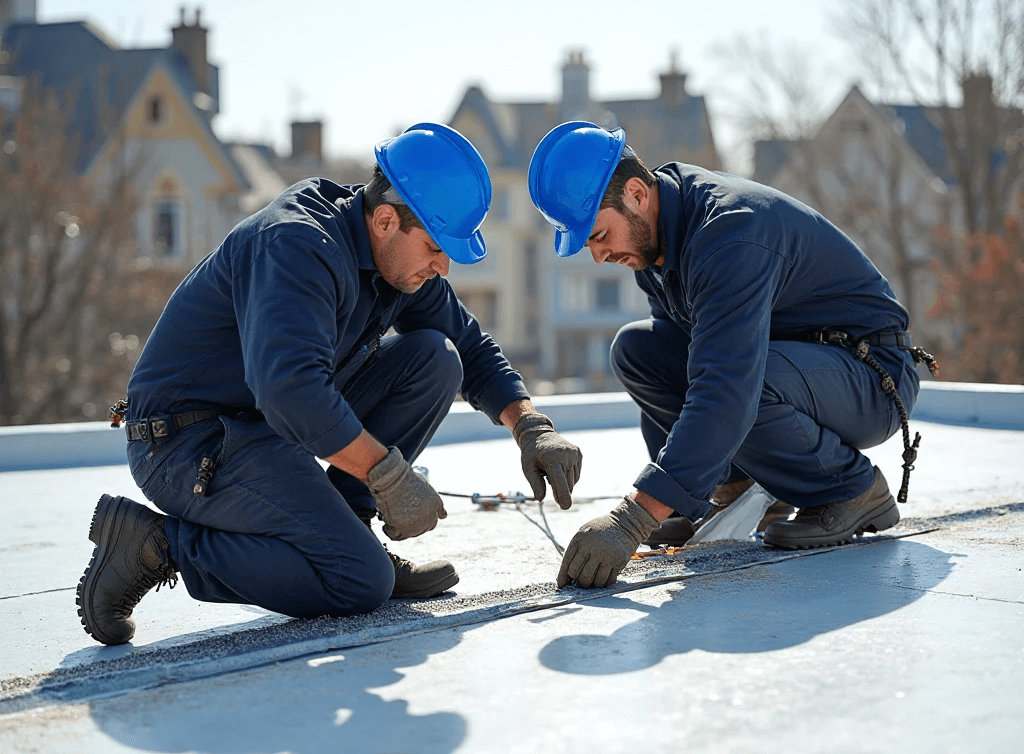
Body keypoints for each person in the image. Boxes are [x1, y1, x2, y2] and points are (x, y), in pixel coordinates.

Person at [77, 123, 583, 646]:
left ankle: (350, 528)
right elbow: (290, 391)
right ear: (386, 220)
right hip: (187, 443)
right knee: (358, 582)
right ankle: (157, 544)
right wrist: (387, 476)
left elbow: (471, 348)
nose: (443, 265)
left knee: (435, 357)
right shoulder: (297, 245)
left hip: (259, 430)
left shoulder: (395, 262)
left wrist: (531, 428)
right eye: (435, 246)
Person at [527, 121, 937, 589]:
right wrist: (674, 494)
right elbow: (688, 361)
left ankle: (850, 489)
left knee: (743, 383)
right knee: (637, 350)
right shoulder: (656, 244)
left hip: (872, 378)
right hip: (799, 365)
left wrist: (633, 519)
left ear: (637, 194)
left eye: (599, 236)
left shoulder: (730, 233)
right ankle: (735, 485)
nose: (598, 257)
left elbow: (726, 388)